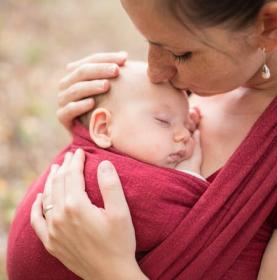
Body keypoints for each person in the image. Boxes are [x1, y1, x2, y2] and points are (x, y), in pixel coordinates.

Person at [29, 0, 277, 279]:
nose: (154, 71)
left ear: (269, 26)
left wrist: (112, 270)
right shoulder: (190, 83)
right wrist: (88, 138)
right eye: (149, 40)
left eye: (181, 54)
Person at [7, 61, 205, 280]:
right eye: (164, 121)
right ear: (103, 128)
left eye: (188, 125)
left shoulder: (93, 152)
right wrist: (190, 175)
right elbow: (183, 217)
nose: (184, 136)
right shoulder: (108, 175)